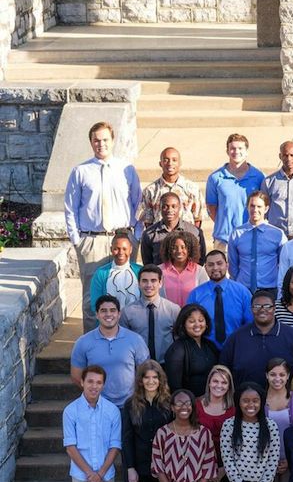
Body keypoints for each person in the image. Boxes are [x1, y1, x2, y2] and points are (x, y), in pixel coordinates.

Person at [64, 121, 142, 330]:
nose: (101, 144)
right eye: (96, 140)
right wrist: (78, 240)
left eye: (105, 139)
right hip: (93, 240)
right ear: (91, 143)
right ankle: (92, 345)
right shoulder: (80, 171)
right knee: (92, 298)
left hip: (123, 238)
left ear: (112, 140)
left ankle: (125, 342)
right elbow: (70, 207)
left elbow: (138, 204)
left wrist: (137, 236)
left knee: (125, 293)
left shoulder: (126, 169)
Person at [71, 295, 150, 407]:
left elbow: (146, 372)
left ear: (119, 314)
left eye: (112, 310)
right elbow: (76, 376)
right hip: (98, 406)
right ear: (97, 315)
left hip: (130, 405)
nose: (108, 314)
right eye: (103, 311)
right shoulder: (83, 342)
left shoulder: (135, 340)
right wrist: (94, 395)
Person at [219, 290, 293, 387]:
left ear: (274, 309)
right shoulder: (236, 338)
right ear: (251, 309)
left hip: (286, 400)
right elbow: (223, 372)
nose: (262, 310)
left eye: (267, 306)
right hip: (246, 400)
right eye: (257, 306)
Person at [206, 132, 266, 249]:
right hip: (224, 239)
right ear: (227, 151)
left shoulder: (258, 177)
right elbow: (212, 207)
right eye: (232, 148)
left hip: (251, 236)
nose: (236, 151)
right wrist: (225, 222)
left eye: (240, 148)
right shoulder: (216, 177)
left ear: (247, 151)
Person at [188, 249, 252, 349]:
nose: (215, 268)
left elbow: (250, 324)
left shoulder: (242, 292)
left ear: (227, 265)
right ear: (205, 268)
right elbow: (188, 325)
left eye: (219, 263)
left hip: (237, 347)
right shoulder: (196, 294)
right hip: (205, 350)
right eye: (210, 265)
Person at [121, 265, 181, 365]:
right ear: (138, 283)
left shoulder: (173, 310)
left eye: (153, 280)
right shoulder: (127, 312)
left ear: (160, 283)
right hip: (138, 366)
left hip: (167, 365)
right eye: (144, 281)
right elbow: (124, 343)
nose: (149, 285)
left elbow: (179, 341)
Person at [138, 146, 203, 231]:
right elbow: (148, 221)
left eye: (174, 160)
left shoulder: (192, 189)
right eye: (166, 160)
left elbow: (197, 218)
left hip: (185, 239)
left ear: (180, 163)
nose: (170, 163)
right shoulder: (151, 191)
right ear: (160, 163)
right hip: (160, 240)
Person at [164, 304, 221, 397]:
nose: (197, 324)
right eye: (191, 321)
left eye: (201, 320)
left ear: (206, 323)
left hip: (211, 403)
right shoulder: (177, 350)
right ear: (183, 324)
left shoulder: (210, 345)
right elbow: (175, 387)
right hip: (189, 405)